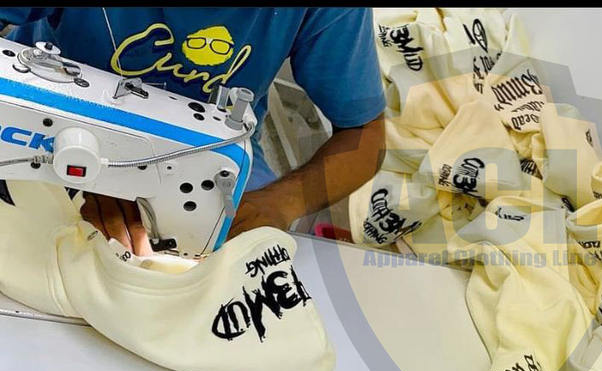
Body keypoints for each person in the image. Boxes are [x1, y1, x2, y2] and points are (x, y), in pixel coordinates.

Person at [0, 7, 386, 255]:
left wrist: (281, 203)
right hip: (39, 129)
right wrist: (105, 171)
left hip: (207, 156)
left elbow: (365, 134)